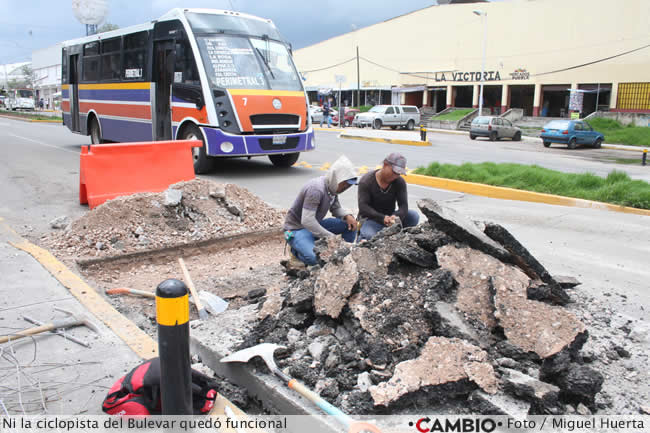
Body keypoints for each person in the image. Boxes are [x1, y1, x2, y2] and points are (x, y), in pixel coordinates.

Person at [284, 155, 359, 266]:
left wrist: (347, 216)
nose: (345, 188)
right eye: (345, 184)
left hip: (314, 225)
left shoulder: (332, 189)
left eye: (348, 186)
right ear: (336, 178)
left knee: (350, 225)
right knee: (315, 259)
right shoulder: (316, 189)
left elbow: (335, 208)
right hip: (297, 229)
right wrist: (331, 238)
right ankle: (295, 252)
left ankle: (343, 256)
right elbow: (307, 221)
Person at [357, 152, 419, 241]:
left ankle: (399, 237)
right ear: (385, 165)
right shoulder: (366, 181)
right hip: (371, 219)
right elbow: (363, 207)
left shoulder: (399, 182)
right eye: (394, 172)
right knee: (370, 236)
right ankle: (363, 238)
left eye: (398, 174)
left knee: (413, 216)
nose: (395, 176)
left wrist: (395, 216)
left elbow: (403, 206)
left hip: (389, 219)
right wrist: (382, 218)